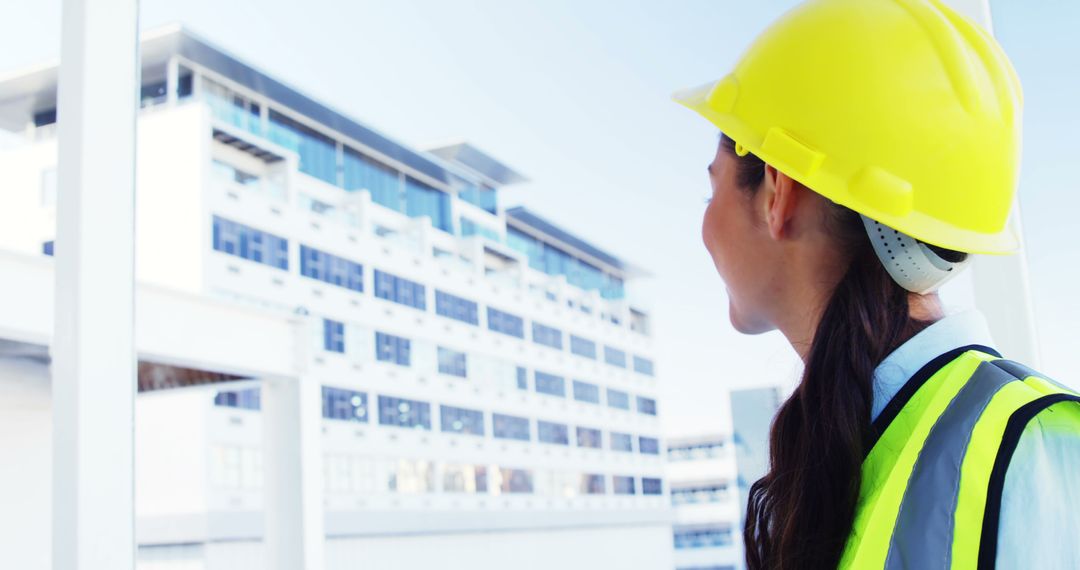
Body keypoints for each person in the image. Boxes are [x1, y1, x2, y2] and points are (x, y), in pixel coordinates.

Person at [672, 0, 1080, 568]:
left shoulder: (1047, 453)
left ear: (777, 191)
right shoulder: (878, 445)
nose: (703, 225)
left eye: (709, 189)